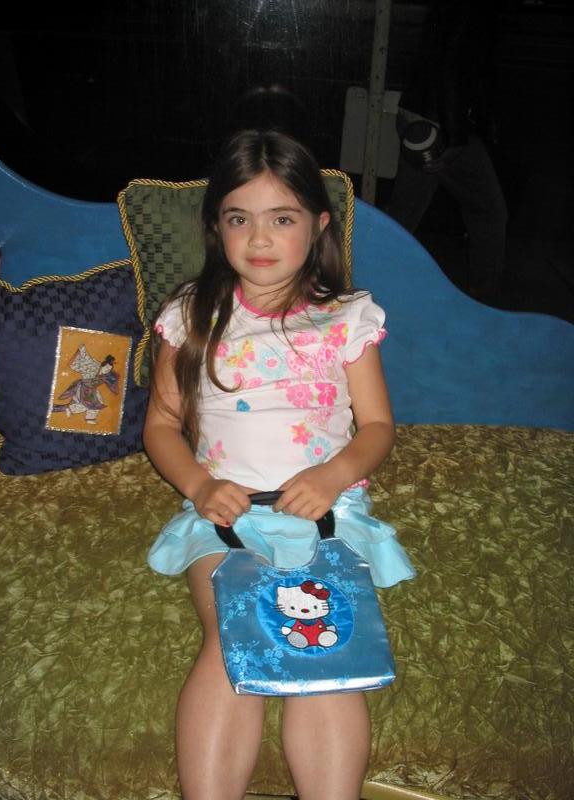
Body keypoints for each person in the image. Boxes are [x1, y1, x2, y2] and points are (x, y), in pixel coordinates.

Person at [143, 129, 415, 800]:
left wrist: (332, 477)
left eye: (282, 219)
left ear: (318, 226)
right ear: (216, 227)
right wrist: (200, 484)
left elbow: (377, 427)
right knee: (233, 633)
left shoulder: (346, 318)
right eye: (239, 219)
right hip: (224, 516)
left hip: (326, 510)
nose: (259, 238)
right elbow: (161, 427)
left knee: (324, 646)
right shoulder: (190, 315)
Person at [385, 0, 507, 304]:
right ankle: (483, 303)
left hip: (419, 117)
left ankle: (361, 285)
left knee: (403, 215)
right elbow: (452, 64)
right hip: (439, 124)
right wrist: (455, 135)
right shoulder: (475, 8)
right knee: (489, 211)